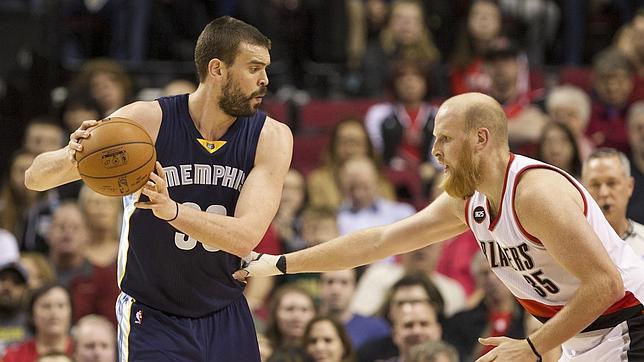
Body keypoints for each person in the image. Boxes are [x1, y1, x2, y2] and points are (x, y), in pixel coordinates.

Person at [237, 92, 644, 361]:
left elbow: (605, 285)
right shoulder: (470, 199)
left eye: (445, 139)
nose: (434, 152)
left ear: (480, 138)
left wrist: (533, 348)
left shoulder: (535, 194)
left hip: (629, 320)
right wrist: (279, 263)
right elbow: (379, 241)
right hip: (584, 336)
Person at [25, 16, 292, 361]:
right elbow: (35, 177)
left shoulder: (271, 137)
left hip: (226, 310)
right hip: (153, 315)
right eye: (254, 68)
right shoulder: (147, 120)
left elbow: (245, 237)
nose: (265, 80)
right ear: (217, 69)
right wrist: (74, 154)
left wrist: (173, 211)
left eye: (266, 69)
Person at [581, 148, 644, 258]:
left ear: (630, 186)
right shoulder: (571, 246)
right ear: (582, 189)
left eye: (612, 183)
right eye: (595, 185)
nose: (604, 193)